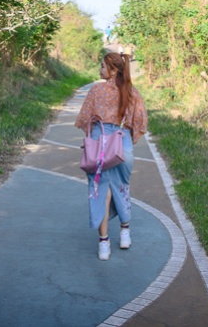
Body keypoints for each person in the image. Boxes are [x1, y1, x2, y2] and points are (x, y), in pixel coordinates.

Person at [74, 51, 148, 261]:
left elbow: (83, 120)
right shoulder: (132, 92)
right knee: (121, 186)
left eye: (103, 66)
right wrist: (126, 140)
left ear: (113, 70)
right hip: (122, 144)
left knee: (100, 190)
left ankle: (104, 244)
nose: (100, 70)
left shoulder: (96, 91)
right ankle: (125, 232)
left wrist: (97, 133)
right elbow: (141, 123)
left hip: (99, 145)